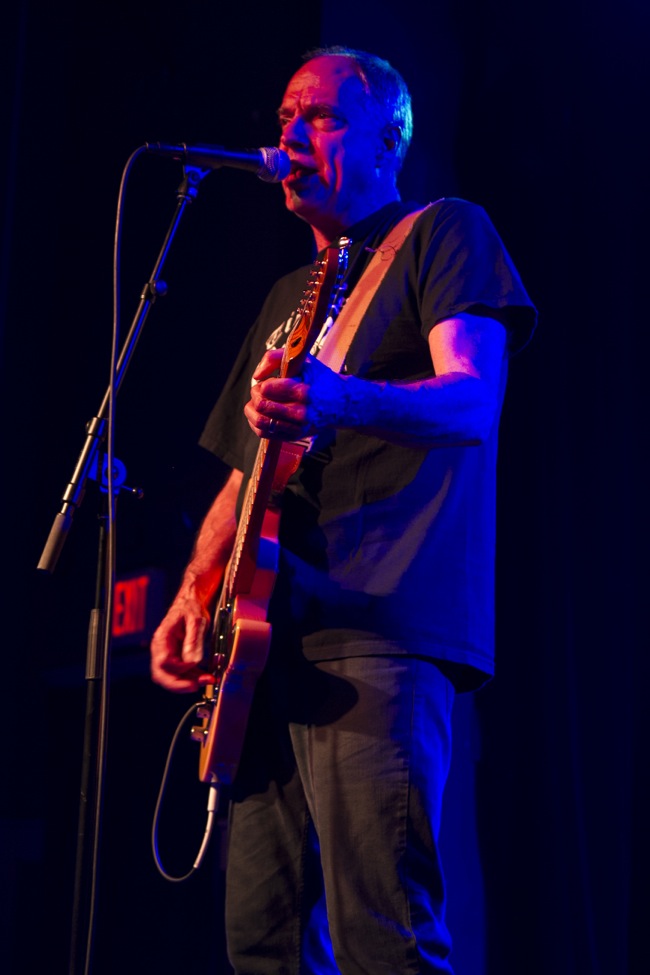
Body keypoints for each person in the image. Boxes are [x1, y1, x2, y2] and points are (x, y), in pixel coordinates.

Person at [150, 45, 537, 974]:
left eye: (320, 116)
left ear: (388, 140)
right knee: (262, 940)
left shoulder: (445, 233)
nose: (289, 135)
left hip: (379, 629)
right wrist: (194, 591)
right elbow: (247, 475)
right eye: (285, 116)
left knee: (382, 933)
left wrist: (344, 400)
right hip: (261, 648)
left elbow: (471, 402)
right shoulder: (287, 297)